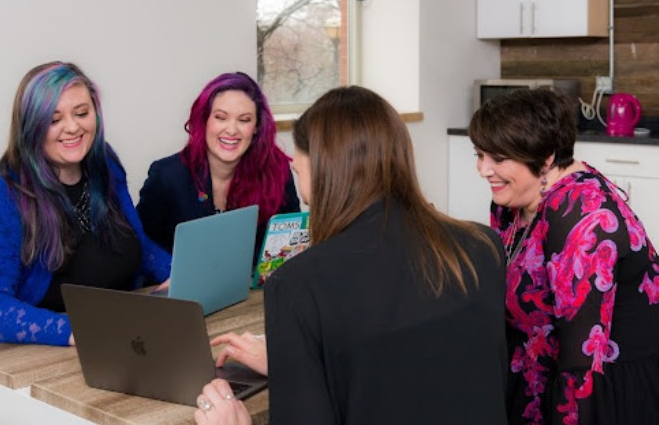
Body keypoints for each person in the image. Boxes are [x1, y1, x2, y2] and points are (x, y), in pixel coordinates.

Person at [193, 86, 509, 425]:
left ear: (325, 170)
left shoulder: (297, 285)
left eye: (300, 174)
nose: (303, 193)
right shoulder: (482, 245)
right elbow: (417, 367)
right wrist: (298, 362)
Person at [468, 88, 659, 425]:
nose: (483, 170)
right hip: (538, 375)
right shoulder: (513, 203)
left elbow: (580, 365)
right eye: (479, 155)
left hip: (605, 392)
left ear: (545, 159)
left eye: (498, 158)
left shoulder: (583, 217)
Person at [0, 62, 171, 346]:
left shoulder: (105, 164)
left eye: (81, 113)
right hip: (52, 356)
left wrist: (178, 276)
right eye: (54, 119)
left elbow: (136, 245)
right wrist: (78, 330)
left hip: (125, 338)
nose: (72, 127)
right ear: (30, 126)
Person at [136, 72, 300, 264]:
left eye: (244, 120)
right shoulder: (166, 176)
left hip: (255, 290)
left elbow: (291, 242)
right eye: (221, 117)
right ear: (204, 120)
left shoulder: (276, 171)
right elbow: (142, 246)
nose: (231, 130)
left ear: (256, 127)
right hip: (181, 290)